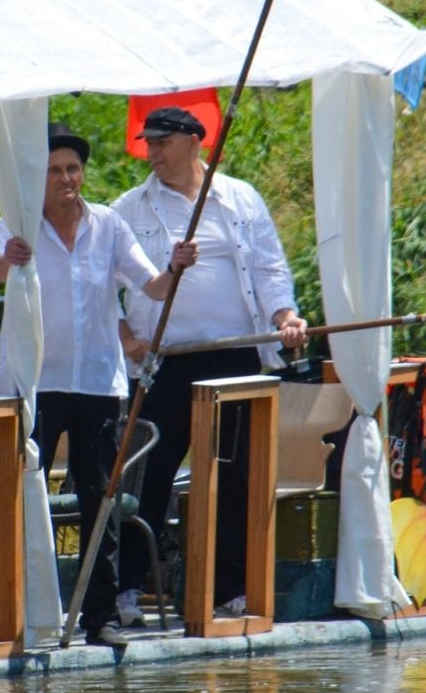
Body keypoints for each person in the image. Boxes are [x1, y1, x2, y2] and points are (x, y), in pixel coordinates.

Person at [0, 123, 197, 647]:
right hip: (34, 382)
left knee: (99, 495)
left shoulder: (109, 225)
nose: (65, 179)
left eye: (72, 169)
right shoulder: (18, 223)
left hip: (97, 383)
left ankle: (98, 614)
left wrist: (175, 266)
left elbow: (151, 284)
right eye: (55, 170)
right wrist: (9, 255)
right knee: (17, 493)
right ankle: (7, 610)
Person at [112, 106, 307, 623]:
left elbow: (269, 269)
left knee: (235, 476)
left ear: (195, 141)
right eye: (147, 142)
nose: (151, 151)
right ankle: (126, 588)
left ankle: (227, 588)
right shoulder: (128, 208)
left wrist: (285, 315)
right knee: (146, 476)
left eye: (161, 141)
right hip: (168, 360)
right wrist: (125, 333)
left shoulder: (240, 199)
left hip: (238, 354)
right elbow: (92, 279)